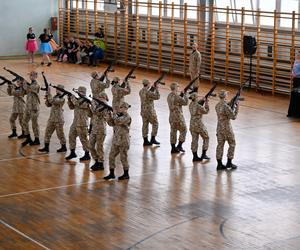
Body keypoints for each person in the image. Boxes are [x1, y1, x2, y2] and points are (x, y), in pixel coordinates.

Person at [104, 102, 131, 180]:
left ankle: (126, 174)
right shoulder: (117, 116)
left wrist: (114, 114)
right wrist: (109, 116)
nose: (125, 109)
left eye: (126, 108)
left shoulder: (127, 117)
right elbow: (111, 123)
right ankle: (111, 173)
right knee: (111, 156)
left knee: (123, 158)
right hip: (116, 140)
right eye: (123, 108)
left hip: (123, 141)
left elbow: (119, 121)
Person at [65, 86, 92, 161]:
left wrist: (72, 97)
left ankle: (87, 154)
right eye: (78, 91)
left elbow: (78, 104)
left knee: (83, 139)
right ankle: (72, 152)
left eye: (80, 92)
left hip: (83, 124)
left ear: (84, 93)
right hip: (75, 122)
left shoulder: (85, 101)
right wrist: (69, 99)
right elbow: (71, 107)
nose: (79, 93)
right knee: (71, 135)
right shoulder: (77, 100)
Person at [38, 85, 67, 153]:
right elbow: (49, 105)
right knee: (47, 133)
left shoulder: (62, 98)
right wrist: (47, 99)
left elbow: (54, 102)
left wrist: (49, 94)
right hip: (52, 118)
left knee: (60, 134)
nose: (57, 90)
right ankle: (46, 147)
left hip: (58, 120)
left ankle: (64, 147)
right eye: (56, 89)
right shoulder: (55, 96)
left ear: (62, 91)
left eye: (58, 89)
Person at [215, 90, 239, 170]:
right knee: (232, 143)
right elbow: (233, 117)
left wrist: (230, 103)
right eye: (226, 95)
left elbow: (224, 109)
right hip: (227, 128)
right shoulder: (226, 106)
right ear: (225, 96)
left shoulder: (217, 105)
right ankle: (229, 162)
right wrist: (237, 107)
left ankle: (219, 164)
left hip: (219, 128)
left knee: (220, 145)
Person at [89, 92, 109, 171]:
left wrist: (93, 103)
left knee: (99, 147)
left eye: (101, 98)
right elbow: (92, 115)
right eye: (99, 98)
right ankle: (96, 160)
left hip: (101, 130)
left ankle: (100, 163)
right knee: (90, 145)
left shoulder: (105, 108)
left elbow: (96, 112)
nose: (100, 99)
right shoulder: (98, 105)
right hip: (94, 128)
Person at [167, 82, 188, 154]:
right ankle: (179, 145)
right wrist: (185, 94)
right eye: (178, 86)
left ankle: (173, 148)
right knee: (184, 130)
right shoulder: (177, 96)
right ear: (175, 88)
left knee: (173, 132)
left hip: (171, 117)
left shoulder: (169, 96)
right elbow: (185, 102)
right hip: (178, 117)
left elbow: (176, 101)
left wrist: (181, 95)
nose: (178, 87)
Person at [21, 71, 41, 146]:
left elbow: (28, 88)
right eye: (30, 75)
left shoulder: (37, 85)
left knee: (34, 124)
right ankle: (28, 138)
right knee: (24, 122)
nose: (31, 77)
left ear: (36, 76)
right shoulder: (30, 84)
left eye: (32, 75)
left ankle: (37, 139)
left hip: (34, 107)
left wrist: (24, 83)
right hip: (28, 107)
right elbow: (25, 91)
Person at [189, 92, 210, 162]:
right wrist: (206, 103)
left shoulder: (190, 104)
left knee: (194, 140)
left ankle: (195, 156)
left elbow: (197, 105)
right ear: (195, 98)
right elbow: (206, 111)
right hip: (199, 124)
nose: (198, 97)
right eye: (197, 97)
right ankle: (204, 154)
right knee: (206, 137)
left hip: (192, 124)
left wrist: (202, 100)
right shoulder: (198, 106)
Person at [139, 79, 160, 146]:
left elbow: (148, 96)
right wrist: (156, 89)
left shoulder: (141, 91)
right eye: (149, 83)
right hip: (150, 111)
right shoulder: (148, 92)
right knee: (155, 123)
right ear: (148, 84)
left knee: (145, 124)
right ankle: (153, 138)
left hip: (143, 111)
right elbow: (157, 97)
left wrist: (152, 88)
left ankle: (145, 140)